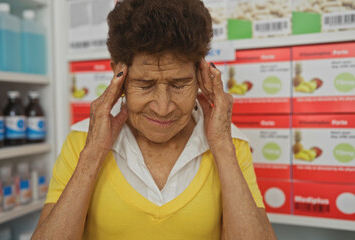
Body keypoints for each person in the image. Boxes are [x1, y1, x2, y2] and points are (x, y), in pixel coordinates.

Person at [32, 0, 277, 239]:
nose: (163, 108)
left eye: (179, 84)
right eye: (145, 84)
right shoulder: (82, 141)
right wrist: (94, 151)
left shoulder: (230, 143)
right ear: (118, 74)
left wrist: (222, 146)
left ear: (201, 74)